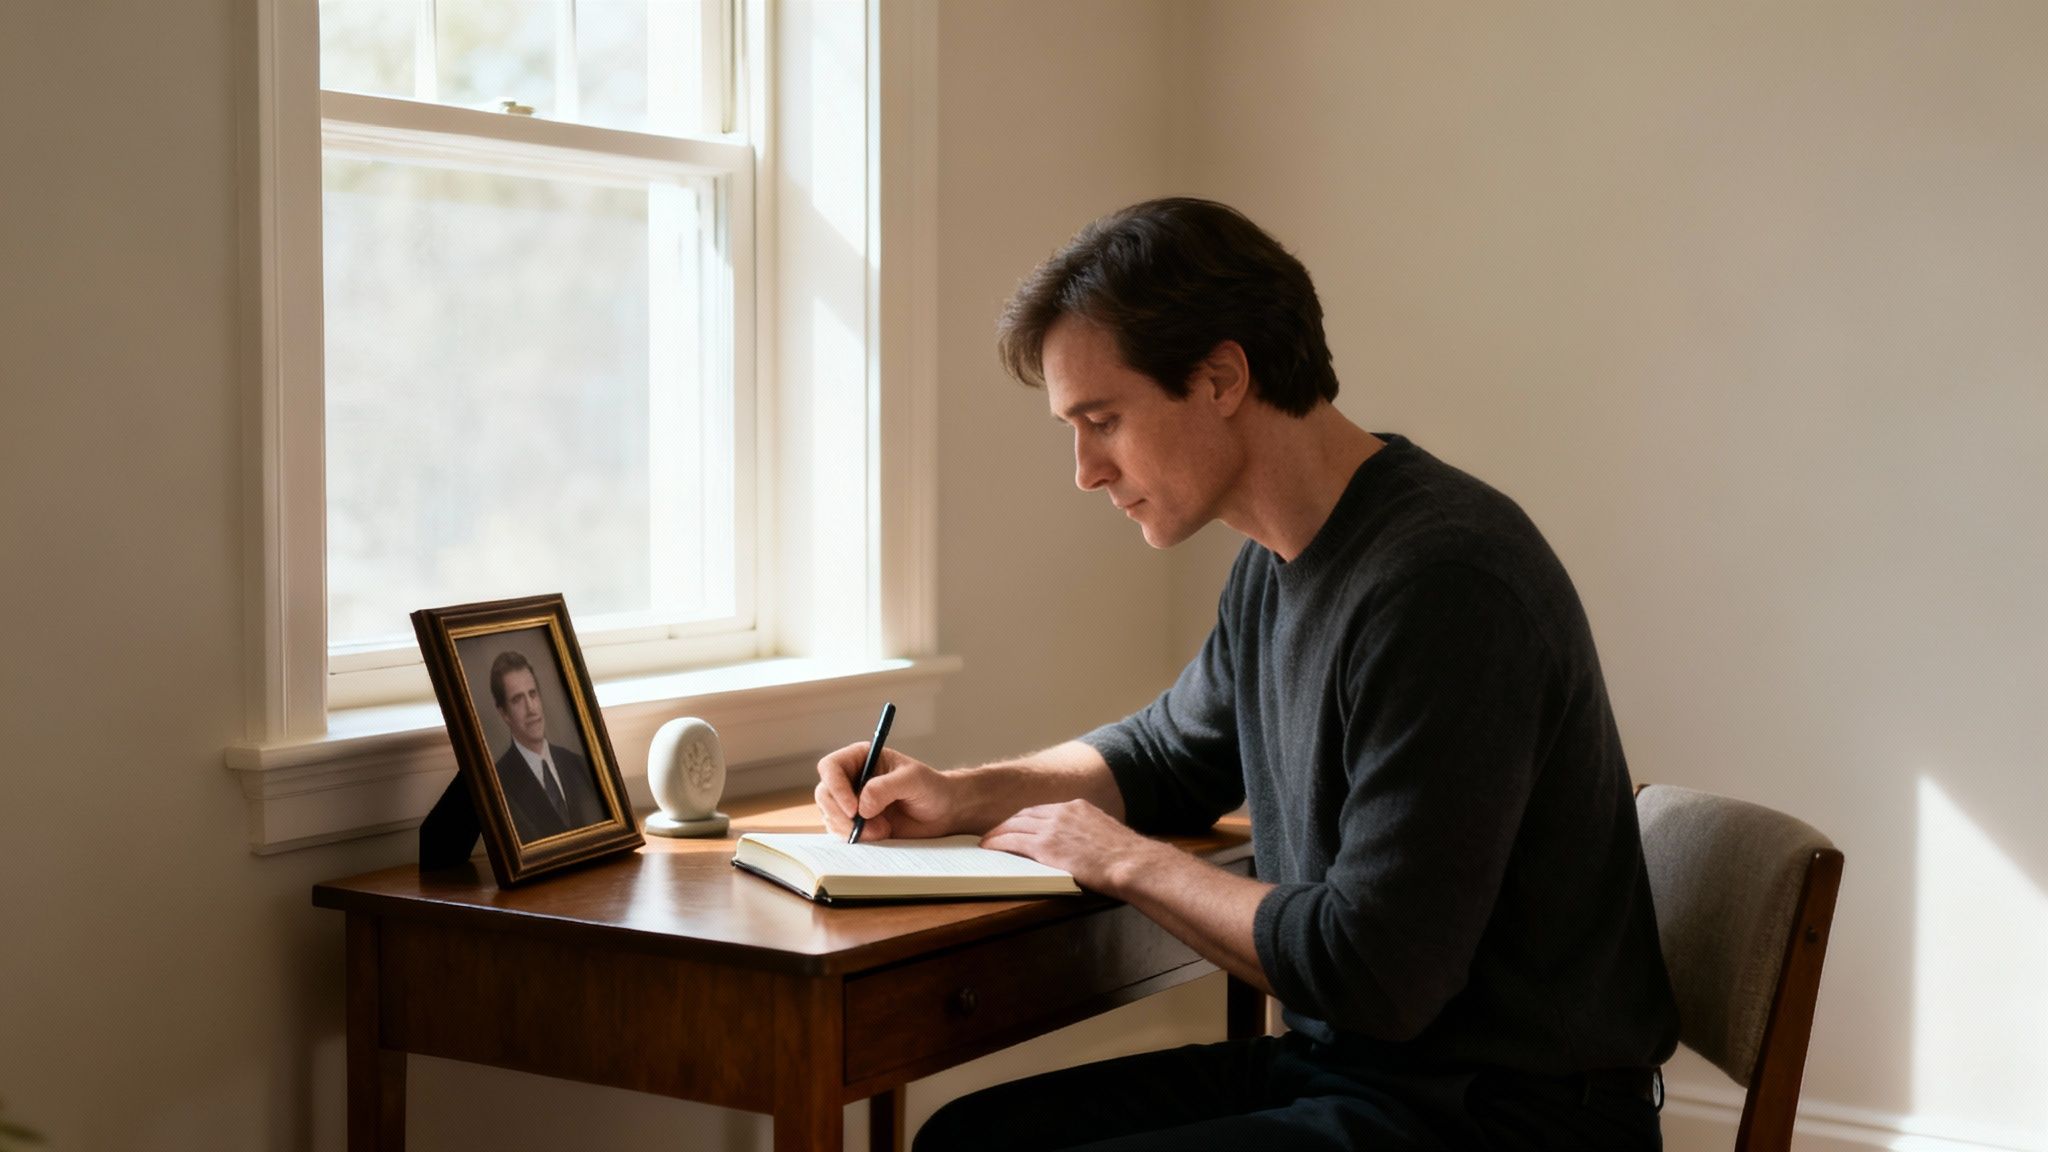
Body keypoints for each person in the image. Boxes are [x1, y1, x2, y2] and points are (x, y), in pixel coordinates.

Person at [814, 198, 1678, 1150]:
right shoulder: (1276, 565)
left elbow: (1376, 972)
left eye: (1102, 419)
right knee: (969, 1139)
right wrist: (963, 794)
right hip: (1361, 1070)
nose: (1085, 470)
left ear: (1223, 376)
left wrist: (1125, 860)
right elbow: (1165, 755)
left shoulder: (1444, 586)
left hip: (1507, 1116)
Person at [487, 649, 607, 841]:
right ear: (504, 713)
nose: (531, 708)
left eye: (533, 694)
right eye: (517, 699)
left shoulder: (579, 764)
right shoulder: (498, 784)